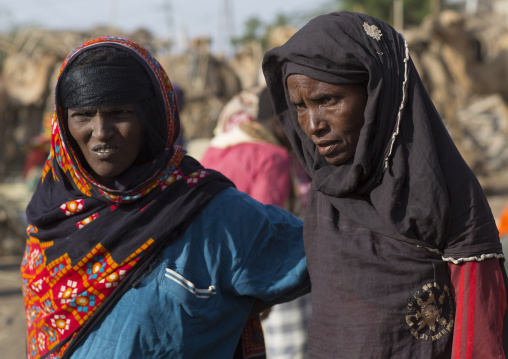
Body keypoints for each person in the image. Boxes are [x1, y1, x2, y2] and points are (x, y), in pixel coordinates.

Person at [20, 36, 310, 359]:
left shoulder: (205, 209)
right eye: (83, 115)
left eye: (119, 112)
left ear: (151, 116)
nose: (100, 131)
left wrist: (222, 314)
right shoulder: (51, 216)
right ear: (63, 122)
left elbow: (318, 254)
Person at [262, 11, 507, 358]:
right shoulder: (326, 190)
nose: (312, 124)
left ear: (378, 93)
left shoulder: (446, 195)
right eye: (299, 107)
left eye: (327, 100)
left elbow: (478, 335)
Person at [201, 87, 312, 358]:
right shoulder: (273, 157)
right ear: (278, 123)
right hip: (251, 278)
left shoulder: (219, 146)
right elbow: (265, 232)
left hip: (208, 275)